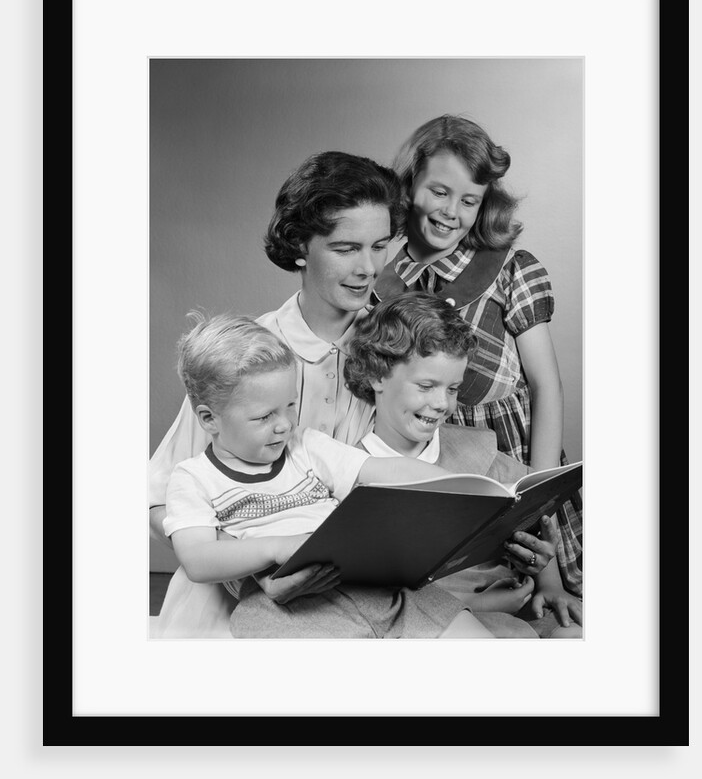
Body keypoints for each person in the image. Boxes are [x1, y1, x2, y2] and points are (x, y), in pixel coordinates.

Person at [149, 150, 406, 635]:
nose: (369, 267)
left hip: (358, 598)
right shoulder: (248, 356)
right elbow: (159, 501)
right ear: (300, 246)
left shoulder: (397, 350)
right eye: (346, 248)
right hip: (228, 610)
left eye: (380, 246)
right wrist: (258, 570)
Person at [165, 312, 498, 638]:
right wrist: (278, 548)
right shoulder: (192, 479)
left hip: (371, 584)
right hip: (287, 607)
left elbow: (382, 470)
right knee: (257, 625)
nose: (284, 424)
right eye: (264, 417)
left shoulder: (305, 445)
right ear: (209, 419)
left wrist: (467, 488)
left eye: (290, 406)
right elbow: (198, 559)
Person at [372, 115, 582, 597]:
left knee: (554, 596)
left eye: (469, 200)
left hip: (515, 455)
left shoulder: (508, 270)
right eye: (439, 192)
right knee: (458, 596)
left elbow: (545, 386)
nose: (452, 211)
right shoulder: (381, 280)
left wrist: (536, 491)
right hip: (435, 463)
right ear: (409, 186)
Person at [344, 291, 582, 637]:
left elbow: (533, 531)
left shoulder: (482, 450)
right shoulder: (349, 473)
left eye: (453, 389)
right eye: (426, 386)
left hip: (521, 615)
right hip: (434, 632)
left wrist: (541, 569)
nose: (442, 403)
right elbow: (366, 600)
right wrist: (479, 605)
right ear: (377, 376)